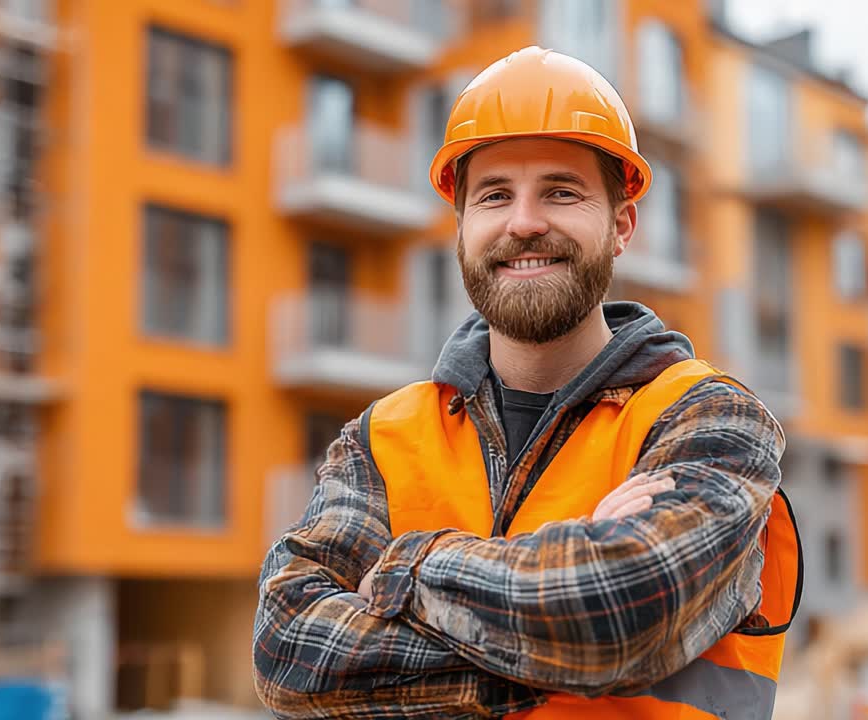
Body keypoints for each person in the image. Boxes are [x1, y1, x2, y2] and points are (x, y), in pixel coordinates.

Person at [253, 46, 800, 719]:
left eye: (561, 191)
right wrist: (552, 599)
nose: (524, 222)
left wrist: (403, 569)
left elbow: (618, 609)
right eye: (494, 196)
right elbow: (288, 651)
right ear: (463, 229)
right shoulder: (382, 438)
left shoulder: (711, 421)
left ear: (621, 224)